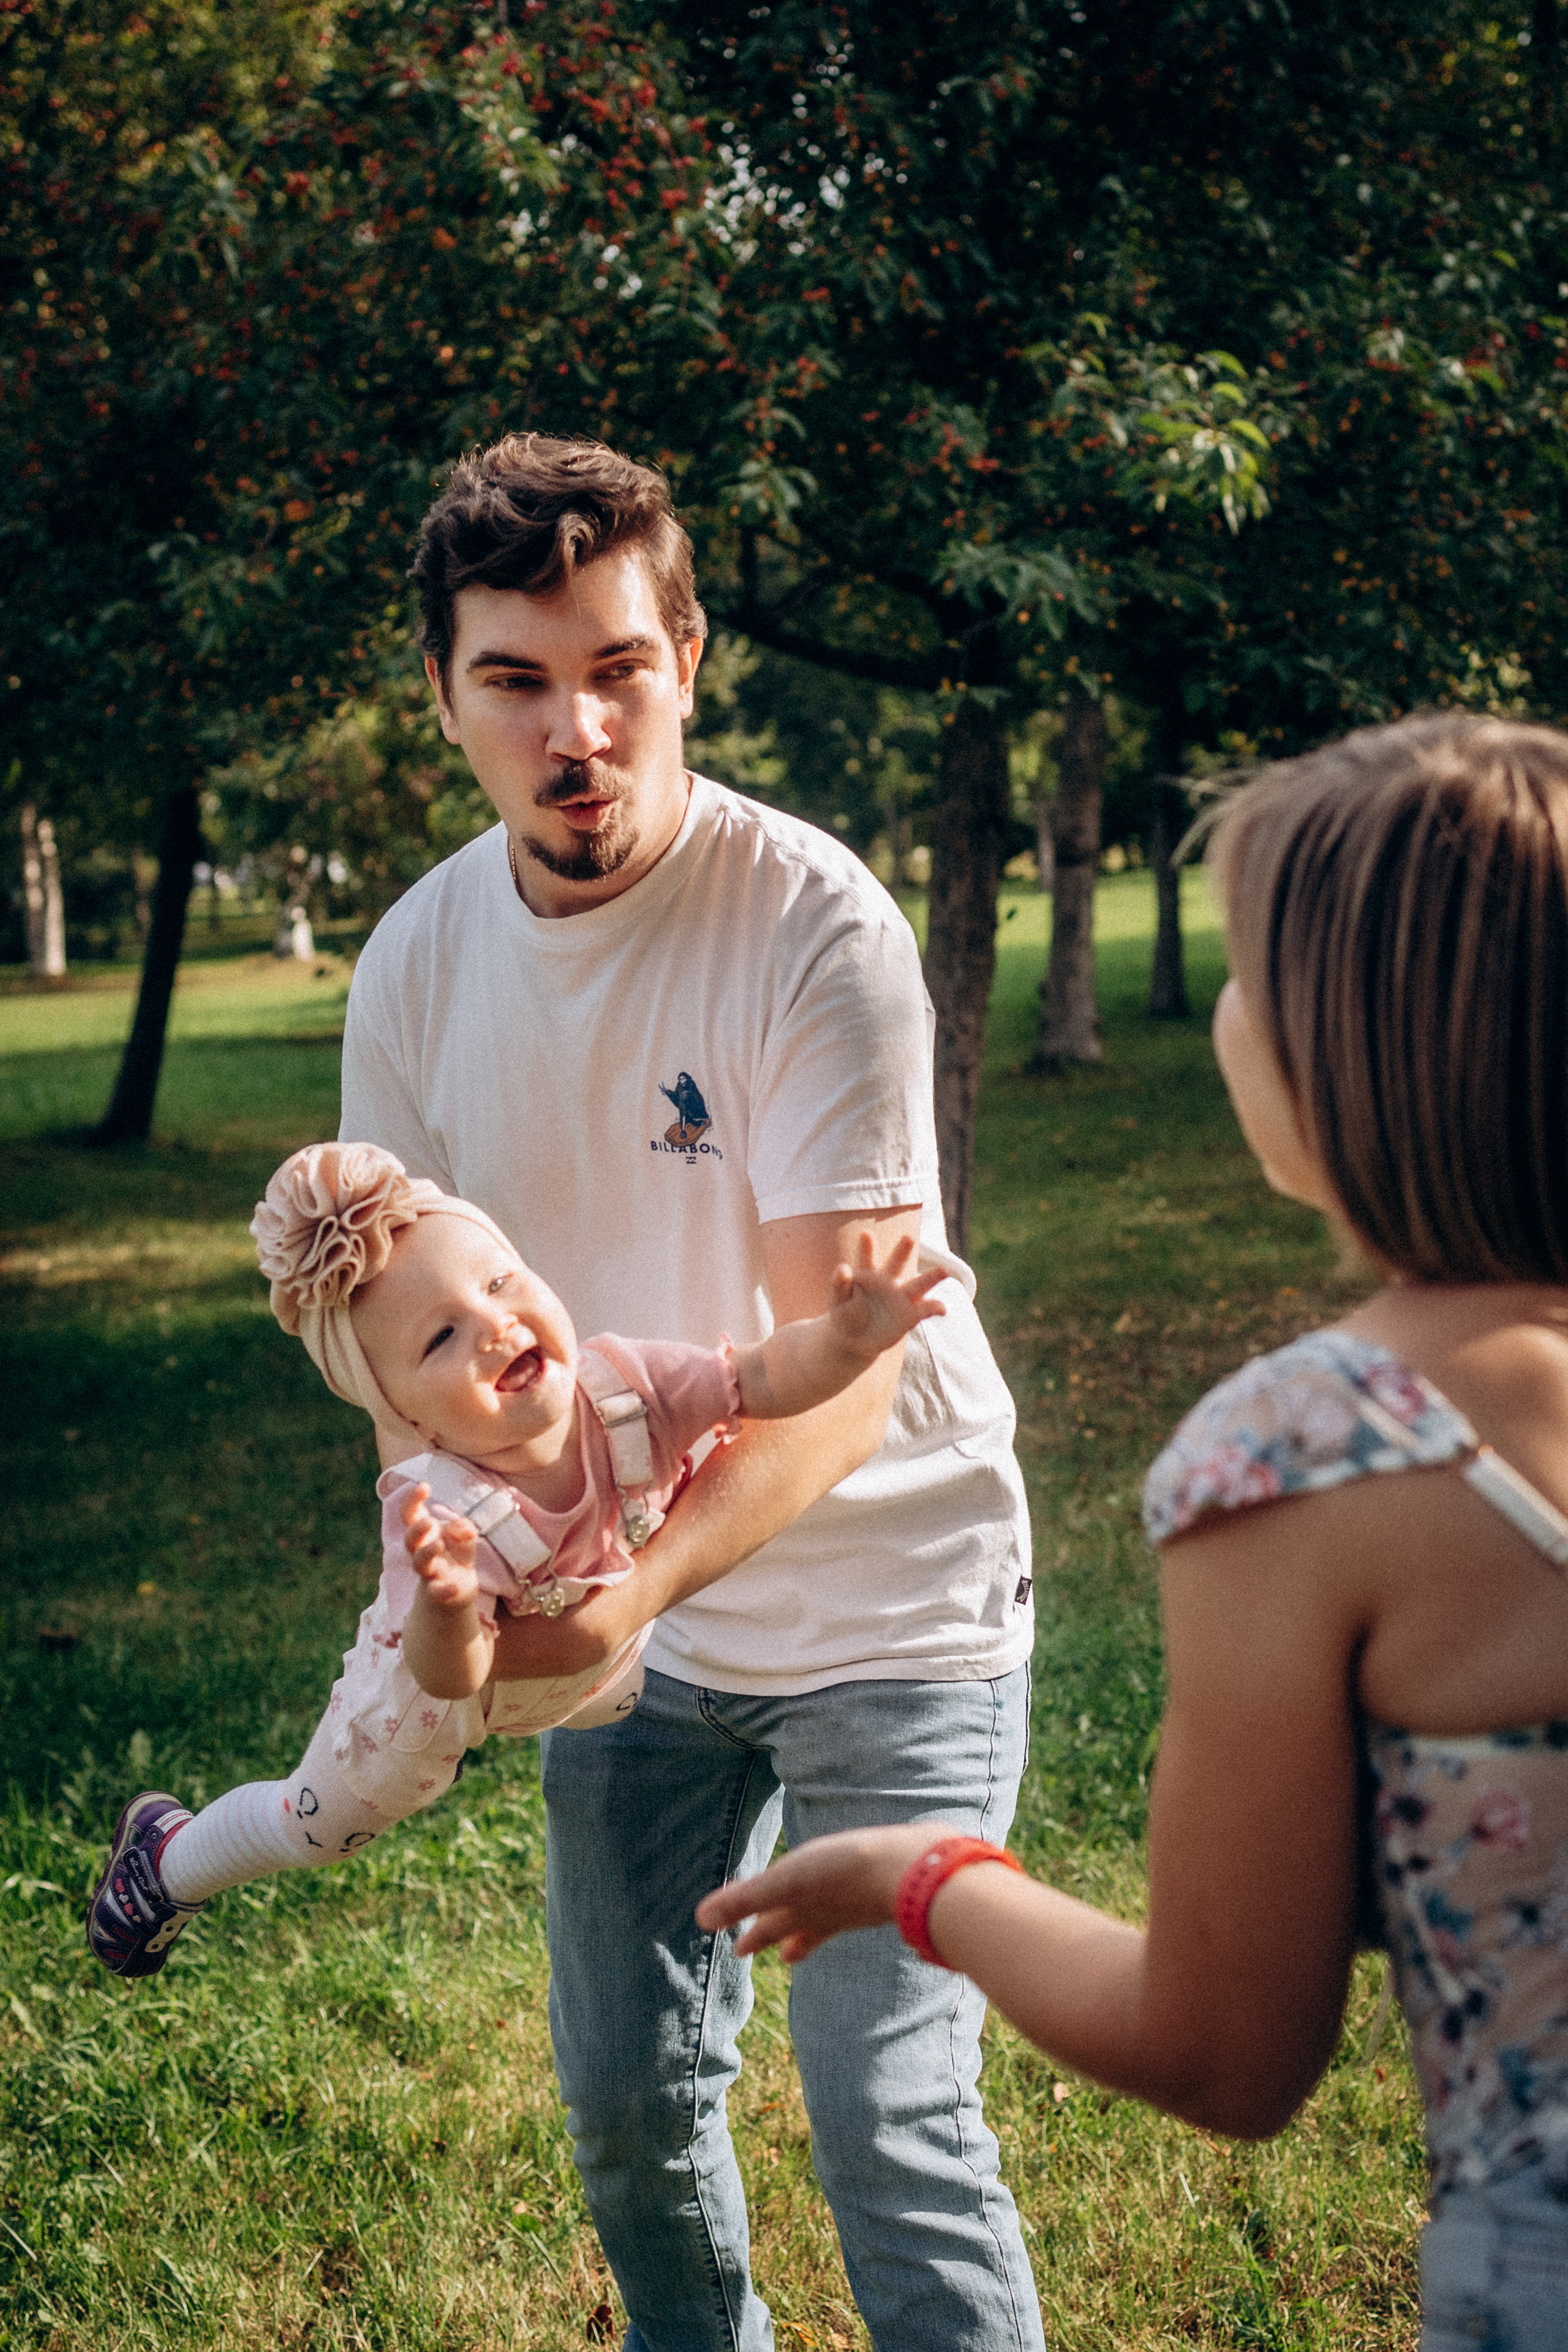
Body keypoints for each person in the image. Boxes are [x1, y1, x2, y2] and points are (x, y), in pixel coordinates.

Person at [699, 712, 1568, 2352]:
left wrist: (930, 1876)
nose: (1228, 1007)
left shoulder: (1307, 1462)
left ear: (1348, 1052)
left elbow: (1227, 2052)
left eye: (1248, 966)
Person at [337, 434, 1045, 2351]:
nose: (578, 728)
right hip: (621, 1607)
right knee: (630, 2110)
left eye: (620, 666)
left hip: (893, 1598)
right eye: (518, 679)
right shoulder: (410, 970)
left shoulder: (817, 928)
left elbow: (838, 1377)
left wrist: (625, 1593)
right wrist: (450, 1578)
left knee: (891, 2117)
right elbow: (399, 1361)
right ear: (445, 698)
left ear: (690, 661)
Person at [85, 1139, 946, 1980]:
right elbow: (454, 1676)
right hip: (430, 1696)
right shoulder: (441, 1514)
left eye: (500, 1283)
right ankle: (170, 1859)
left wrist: (846, 1340)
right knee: (322, 1828)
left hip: (588, 1660)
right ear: (411, 1422)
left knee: (620, 1696)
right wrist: (450, 1601)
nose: (494, 1325)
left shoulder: (625, 1389)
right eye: (442, 1339)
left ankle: (589, 1689)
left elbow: (763, 1378)